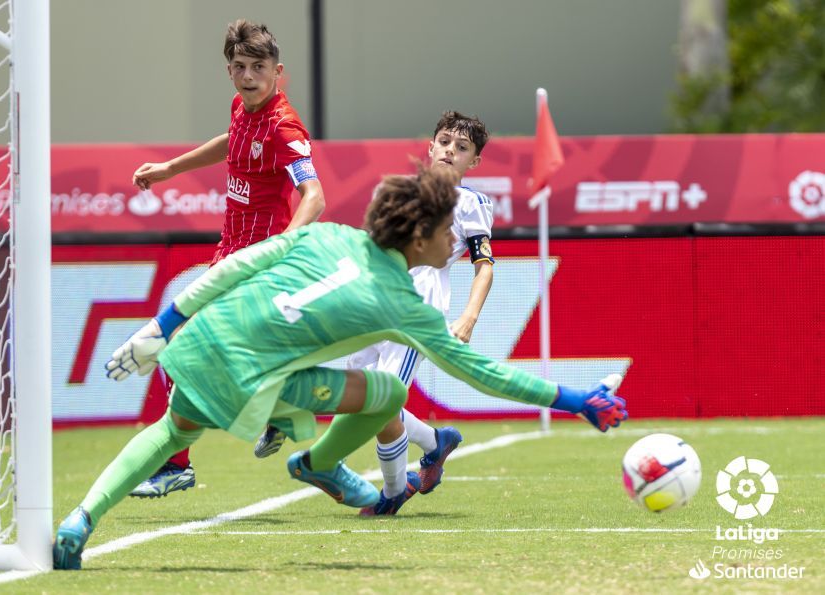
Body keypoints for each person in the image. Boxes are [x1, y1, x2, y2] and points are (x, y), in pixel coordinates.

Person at [52, 167, 627, 570]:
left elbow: (239, 265)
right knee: (386, 392)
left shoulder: (329, 234)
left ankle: (80, 521)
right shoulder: (406, 305)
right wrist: (575, 400)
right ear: (421, 236)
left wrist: (164, 323)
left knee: (170, 434)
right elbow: (484, 374)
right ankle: (321, 464)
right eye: (448, 229)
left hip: (204, 339)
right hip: (257, 381)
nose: (455, 239)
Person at [254, 111, 495, 516]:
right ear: (430, 147)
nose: (451, 150)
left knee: (379, 403)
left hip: (416, 314)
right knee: (364, 399)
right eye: (445, 142)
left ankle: (393, 492)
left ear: (475, 162)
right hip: (371, 304)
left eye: (463, 147)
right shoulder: (400, 192)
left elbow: (484, 264)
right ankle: (436, 443)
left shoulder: (470, 203)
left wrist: (469, 316)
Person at [128, 19, 325, 498]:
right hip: (227, 254)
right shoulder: (242, 109)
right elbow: (231, 142)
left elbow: (314, 196)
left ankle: (178, 463)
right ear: (230, 72)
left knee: (179, 346)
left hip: (254, 262)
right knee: (200, 351)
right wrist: (171, 167)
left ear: (278, 72)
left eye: (258, 67)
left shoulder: (285, 128)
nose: (248, 76)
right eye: (239, 67)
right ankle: (280, 410)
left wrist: (283, 248)